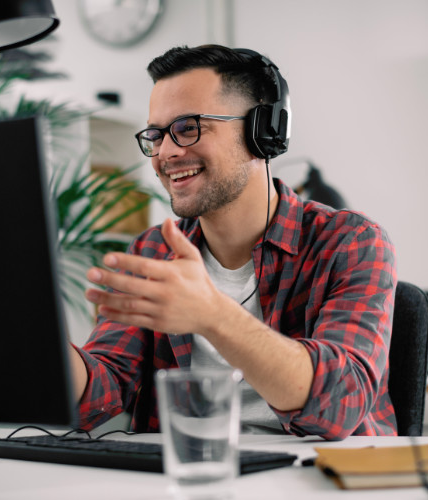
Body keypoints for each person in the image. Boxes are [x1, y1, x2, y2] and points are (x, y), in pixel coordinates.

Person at [67, 44, 397, 439]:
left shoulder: (349, 242)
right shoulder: (152, 252)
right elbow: (97, 397)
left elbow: (338, 405)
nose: (165, 153)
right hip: (192, 476)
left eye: (188, 128)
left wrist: (212, 314)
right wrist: (33, 326)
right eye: (155, 135)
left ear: (262, 133)